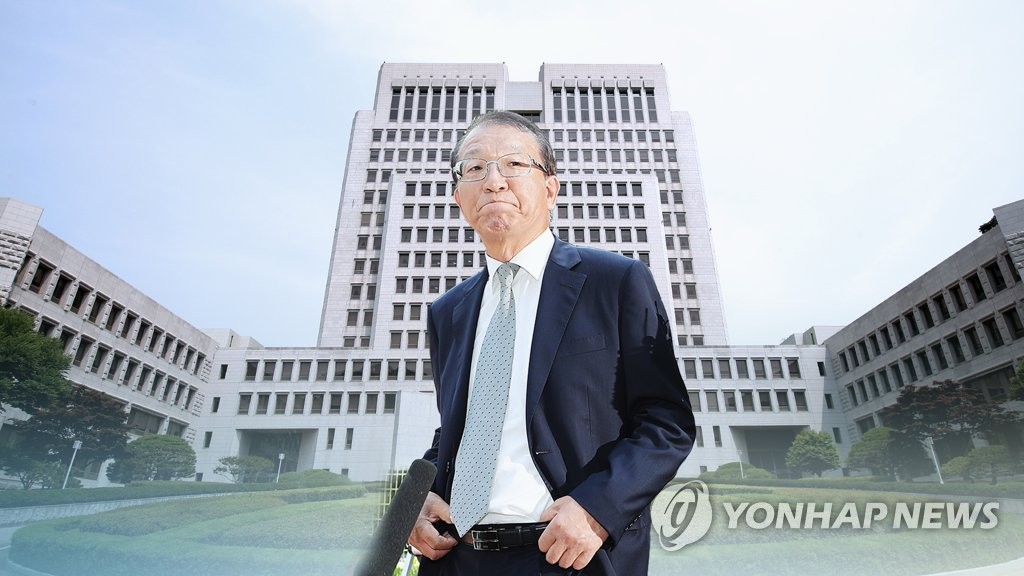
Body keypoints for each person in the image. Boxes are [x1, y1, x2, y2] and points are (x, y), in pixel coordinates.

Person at [409, 110, 695, 575]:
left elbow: (666, 421)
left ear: (550, 188)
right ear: (459, 197)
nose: (494, 182)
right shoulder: (448, 311)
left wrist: (598, 508)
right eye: (475, 168)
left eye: (514, 164)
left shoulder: (616, 281)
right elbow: (456, 430)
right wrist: (417, 499)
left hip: (571, 553)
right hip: (457, 558)